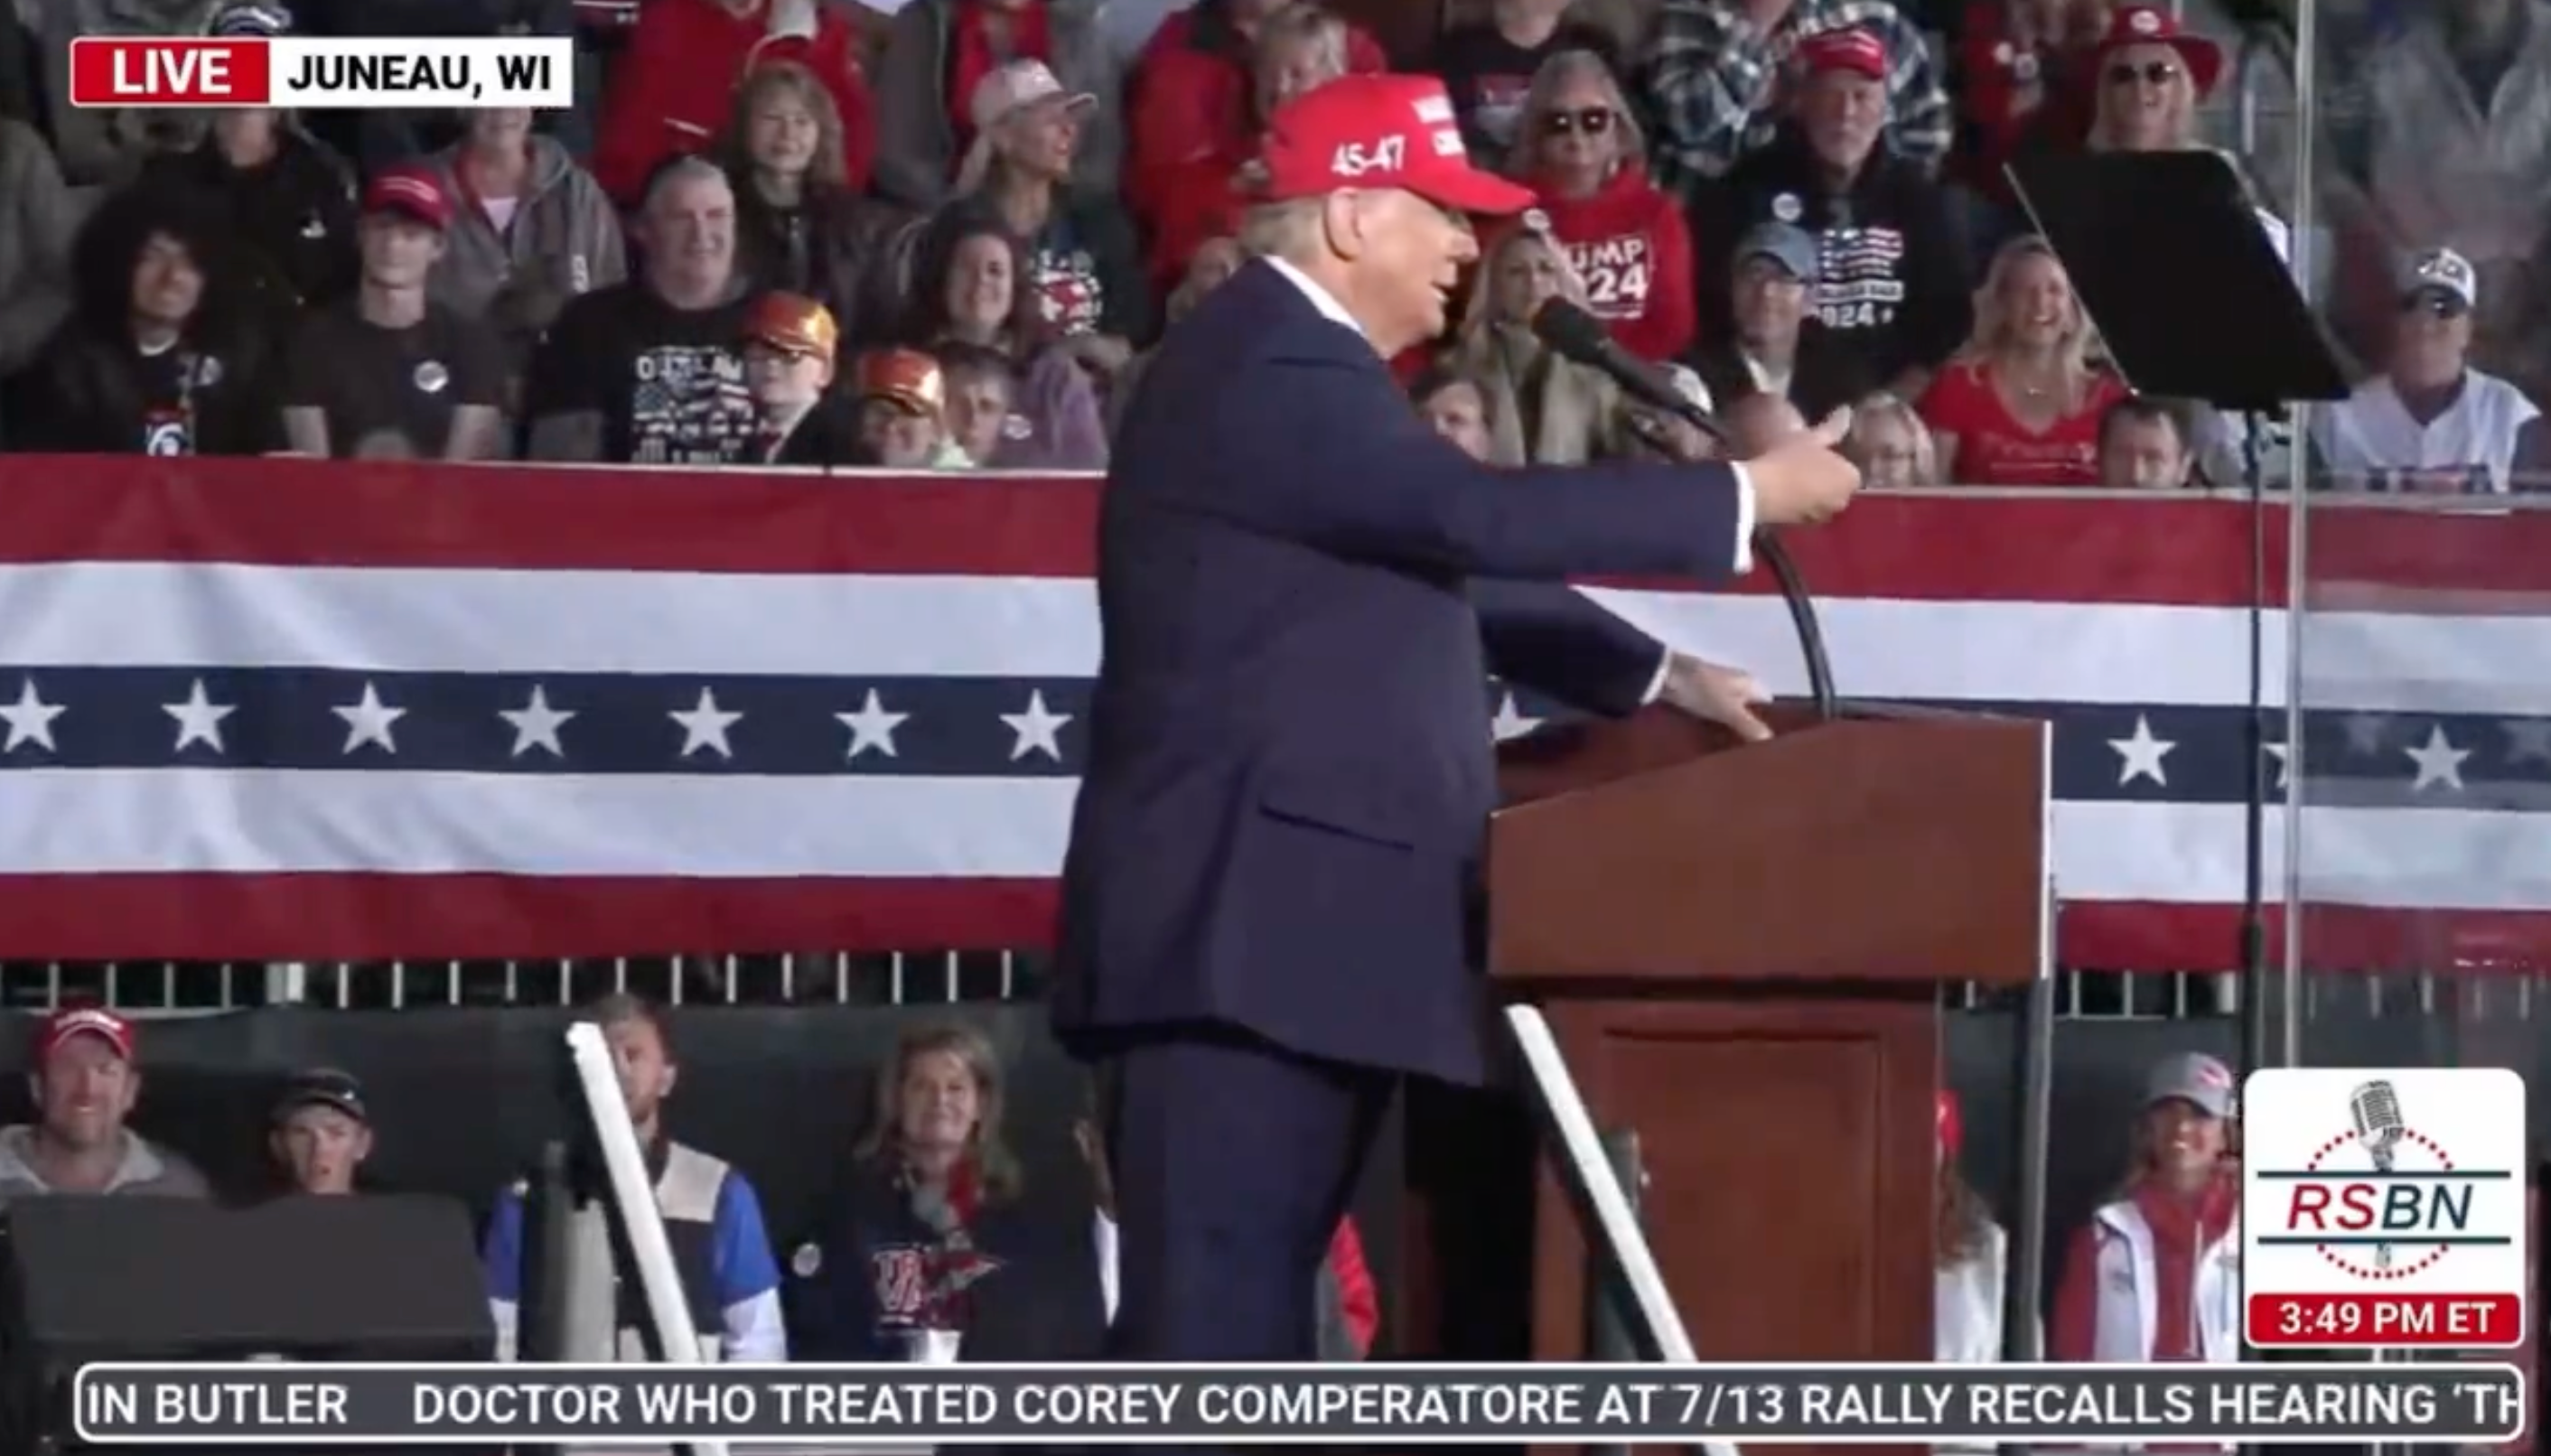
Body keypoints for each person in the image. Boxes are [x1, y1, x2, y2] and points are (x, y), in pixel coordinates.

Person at [1051, 71, 1861, 1364]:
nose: (1465, 249)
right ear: (1354, 216)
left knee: (1229, 1360)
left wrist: (1655, 678)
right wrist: (1744, 497)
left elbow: (1446, 566)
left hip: (1292, 951)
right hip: (1239, 946)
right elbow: (1468, 519)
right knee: (1198, 1370)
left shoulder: (1311, 375)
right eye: (1443, 213)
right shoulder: (1266, 355)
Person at [481, 994, 787, 1361]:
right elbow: (499, 1341)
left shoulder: (718, 1192)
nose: (619, 1071)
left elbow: (758, 1345)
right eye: (606, 1058)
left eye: (634, 1055)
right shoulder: (529, 1198)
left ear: (667, 1078)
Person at [789, 1021, 1089, 1360]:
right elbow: (819, 1332)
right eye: (921, 1087)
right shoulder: (852, 1212)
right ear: (896, 1102)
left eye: (956, 1088)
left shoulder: (1022, 1217)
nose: (939, 1101)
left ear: (981, 1105)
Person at [524, 157, 762, 464]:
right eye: (681, 217)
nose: (701, 232)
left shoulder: (775, 318)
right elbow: (559, 469)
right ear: (642, 229)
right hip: (620, 509)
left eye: (716, 215)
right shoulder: (588, 323)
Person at [278, 167, 509, 461]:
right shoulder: (313, 340)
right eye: (381, 227)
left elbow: (463, 473)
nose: (392, 245)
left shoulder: (469, 342)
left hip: (440, 504)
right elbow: (311, 470)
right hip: (337, 503)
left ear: (437, 247)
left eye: (411, 234)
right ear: (361, 235)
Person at [2050, 1050, 2241, 1362]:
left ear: (2224, 1135)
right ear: (2148, 1128)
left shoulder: (2259, 1227)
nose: (2181, 1127)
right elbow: (2072, 1353)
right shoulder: (2103, 1234)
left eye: (2199, 1114)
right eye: (2168, 1112)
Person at [0, 1007, 210, 1202]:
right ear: (38, 1087)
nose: (88, 1089)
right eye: (69, 1068)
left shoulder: (175, 1189)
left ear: (130, 1090)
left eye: (105, 1069)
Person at [743, 290, 864, 465]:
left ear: (825, 371)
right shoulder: (742, 437)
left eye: (789, 354)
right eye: (759, 353)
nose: (771, 364)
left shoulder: (842, 446)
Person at [267, 1068, 375, 1198]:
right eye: (302, 1133)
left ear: (362, 1144)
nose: (319, 1150)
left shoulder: (388, 1216)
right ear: (277, 1144)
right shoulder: (254, 1217)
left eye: (336, 1133)